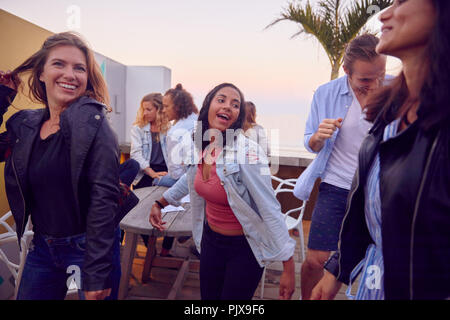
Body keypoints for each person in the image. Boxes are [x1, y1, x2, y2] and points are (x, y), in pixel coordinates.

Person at [311, 0, 450, 300]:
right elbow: (371, 205)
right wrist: (339, 268)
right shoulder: (390, 113)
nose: (384, 14)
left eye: (401, 2)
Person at [0, 32, 121, 300]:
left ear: (87, 78)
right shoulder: (24, 125)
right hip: (42, 248)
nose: (70, 74)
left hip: (88, 248)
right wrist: (2, 97)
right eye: (59, 64)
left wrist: (97, 271)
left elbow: (104, 199)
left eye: (79, 68)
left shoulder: (95, 124)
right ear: (41, 73)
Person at [149, 83, 296, 300]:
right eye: (221, 100)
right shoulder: (203, 144)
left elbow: (270, 207)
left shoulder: (247, 152)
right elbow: (191, 178)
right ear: (208, 106)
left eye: (235, 104)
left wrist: (289, 266)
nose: (228, 106)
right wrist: (160, 203)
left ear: (238, 116)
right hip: (210, 241)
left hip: (244, 249)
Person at [293, 34, 388, 300]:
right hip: (336, 183)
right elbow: (310, 143)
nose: (376, 84)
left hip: (378, 189)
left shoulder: (397, 90)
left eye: (381, 75)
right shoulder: (326, 93)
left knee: (376, 262)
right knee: (316, 260)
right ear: (346, 71)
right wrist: (318, 137)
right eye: (366, 80)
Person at [157, 83, 198, 257]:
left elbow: (175, 173)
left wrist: (169, 176)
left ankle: (169, 240)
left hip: (188, 179)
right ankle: (173, 242)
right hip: (202, 178)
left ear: (178, 106)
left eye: (166, 106)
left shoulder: (175, 132)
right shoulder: (198, 119)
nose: (163, 110)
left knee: (157, 181)